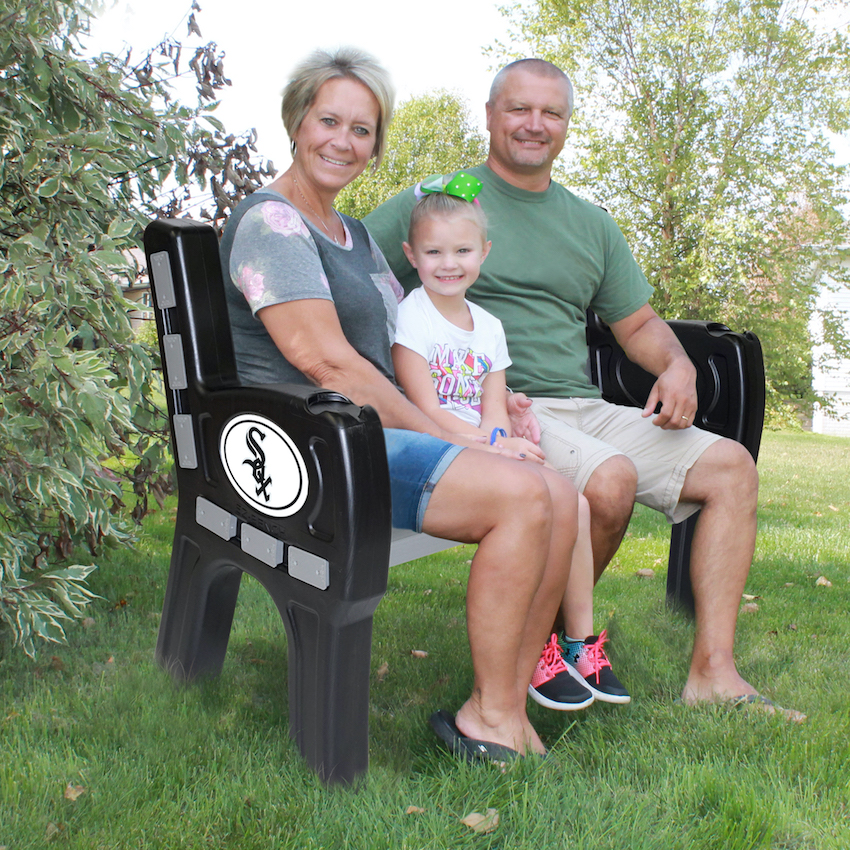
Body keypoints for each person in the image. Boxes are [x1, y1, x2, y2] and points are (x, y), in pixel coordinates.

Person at [365, 58, 805, 721]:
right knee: (609, 481)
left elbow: (638, 324)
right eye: (519, 109)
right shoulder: (442, 203)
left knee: (730, 469)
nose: (534, 125)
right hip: (501, 407)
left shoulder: (589, 222)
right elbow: (350, 267)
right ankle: (546, 650)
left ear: (567, 126)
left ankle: (713, 673)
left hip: (585, 405)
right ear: (490, 116)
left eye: (552, 113)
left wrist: (677, 365)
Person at [219, 46, 585, 762]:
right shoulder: (273, 224)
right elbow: (325, 361)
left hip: (366, 434)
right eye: (329, 120)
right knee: (521, 497)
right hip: (311, 446)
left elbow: (405, 349)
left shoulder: (351, 235)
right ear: (297, 122)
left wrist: (492, 410)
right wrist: (462, 443)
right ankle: (495, 716)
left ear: (376, 145)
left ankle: (500, 706)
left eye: (362, 130)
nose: (344, 141)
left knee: (560, 493)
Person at [391, 174, 629, 708]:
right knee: (538, 498)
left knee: (576, 502)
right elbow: (423, 408)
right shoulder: (412, 316)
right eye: (433, 251)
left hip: (485, 444)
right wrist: (495, 447)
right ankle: (532, 652)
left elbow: (493, 402)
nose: (448, 263)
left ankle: (577, 643)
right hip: (440, 445)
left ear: (484, 253)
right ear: (411, 254)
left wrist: (503, 438)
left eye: (462, 250)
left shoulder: (490, 327)